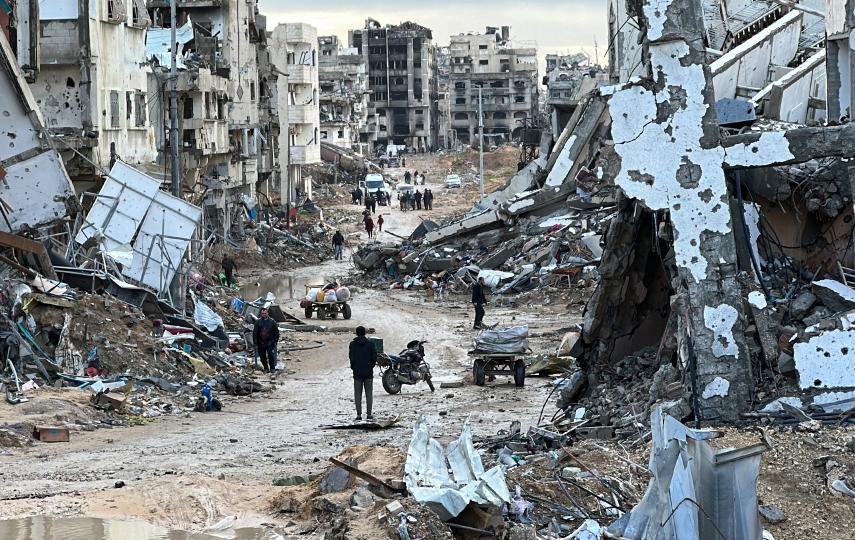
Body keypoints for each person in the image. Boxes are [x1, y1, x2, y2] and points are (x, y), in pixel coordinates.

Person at [349, 326, 376, 421]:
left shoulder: (352, 344)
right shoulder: (371, 344)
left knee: (357, 394)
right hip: (368, 372)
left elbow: (351, 358)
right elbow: (374, 358)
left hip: (357, 372)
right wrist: (370, 367)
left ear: (356, 333)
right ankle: (369, 414)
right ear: (365, 333)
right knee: (369, 394)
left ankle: (358, 415)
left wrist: (354, 368)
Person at [253, 308, 279, 373]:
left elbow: (276, 332)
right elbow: (255, 332)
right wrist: (255, 342)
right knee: (262, 356)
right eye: (262, 313)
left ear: (267, 313)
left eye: (265, 313)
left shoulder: (272, 321)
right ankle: (266, 368)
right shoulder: (258, 322)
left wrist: (275, 341)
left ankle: (272, 368)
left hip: (270, 342)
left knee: (271, 355)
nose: (264, 315)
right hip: (261, 342)